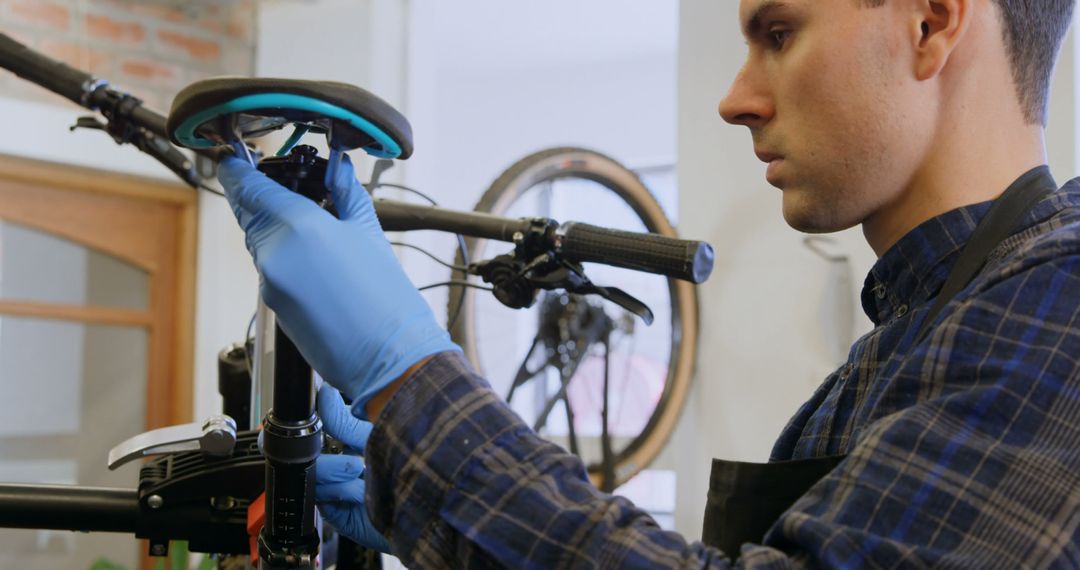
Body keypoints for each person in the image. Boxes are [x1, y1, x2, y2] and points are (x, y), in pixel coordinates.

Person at [217, 0, 1080, 566]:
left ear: (930, 23)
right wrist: (418, 501)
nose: (735, 99)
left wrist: (409, 382)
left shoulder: (1063, 307)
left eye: (778, 33)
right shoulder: (906, 341)